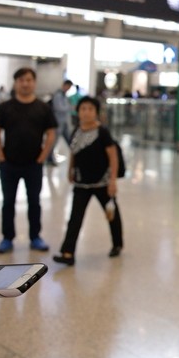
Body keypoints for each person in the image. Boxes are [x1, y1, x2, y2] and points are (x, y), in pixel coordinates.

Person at [0, 67, 57, 254]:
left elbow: (51, 132)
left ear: (34, 83)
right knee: (8, 202)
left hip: (33, 165)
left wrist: (43, 156)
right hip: (9, 164)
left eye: (28, 80)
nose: (25, 83)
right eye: (21, 80)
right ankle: (7, 238)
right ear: (16, 83)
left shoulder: (43, 108)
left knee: (34, 202)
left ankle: (35, 237)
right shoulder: (5, 107)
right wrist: (1, 156)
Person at [52, 96, 124, 266]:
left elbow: (113, 157)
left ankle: (117, 244)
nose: (86, 112)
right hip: (81, 183)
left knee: (111, 214)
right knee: (75, 218)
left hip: (102, 183)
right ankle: (68, 253)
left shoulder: (103, 132)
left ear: (96, 112)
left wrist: (113, 180)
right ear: (78, 111)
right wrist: (70, 170)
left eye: (90, 109)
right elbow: (74, 153)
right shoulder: (76, 131)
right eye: (83, 109)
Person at [47, 79, 74, 166]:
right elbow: (58, 108)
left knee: (70, 140)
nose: (68, 89)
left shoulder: (64, 95)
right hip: (58, 122)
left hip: (64, 122)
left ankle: (76, 156)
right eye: (68, 86)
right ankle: (49, 158)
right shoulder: (58, 95)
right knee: (54, 140)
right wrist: (69, 107)